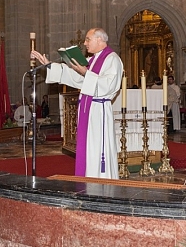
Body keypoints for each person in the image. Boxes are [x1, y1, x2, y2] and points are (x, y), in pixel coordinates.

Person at [31, 28, 123, 179]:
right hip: (89, 109)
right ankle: (89, 179)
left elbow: (109, 85)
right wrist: (49, 65)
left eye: (88, 39)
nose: (85, 43)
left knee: (97, 147)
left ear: (100, 40)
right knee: (88, 148)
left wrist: (86, 73)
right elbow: (76, 77)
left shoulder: (112, 59)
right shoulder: (93, 60)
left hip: (99, 111)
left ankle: (102, 180)